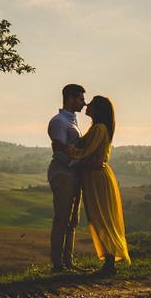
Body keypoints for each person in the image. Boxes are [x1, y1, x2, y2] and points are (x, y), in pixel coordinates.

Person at [59, 95, 129, 277]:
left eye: (90, 104)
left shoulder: (99, 128)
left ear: (97, 109)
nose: (86, 105)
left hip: (97, 177)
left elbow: (84, 152)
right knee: (100, 217)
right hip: (94, 177)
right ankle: (109, 262)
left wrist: (63, 148)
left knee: (102, 217)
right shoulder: (98, 128)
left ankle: (109, 264)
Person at [47, 83, 86, 272]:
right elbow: (59, 153)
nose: (84, 103)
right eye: (80, 99)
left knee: (72, 222)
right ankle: (58, 265)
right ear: (70, 99)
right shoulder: (59, 122)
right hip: (63, 175)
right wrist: (77, 164)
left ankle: (68, 263)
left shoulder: (71, 120)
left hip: (73, 176)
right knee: (62, 220)